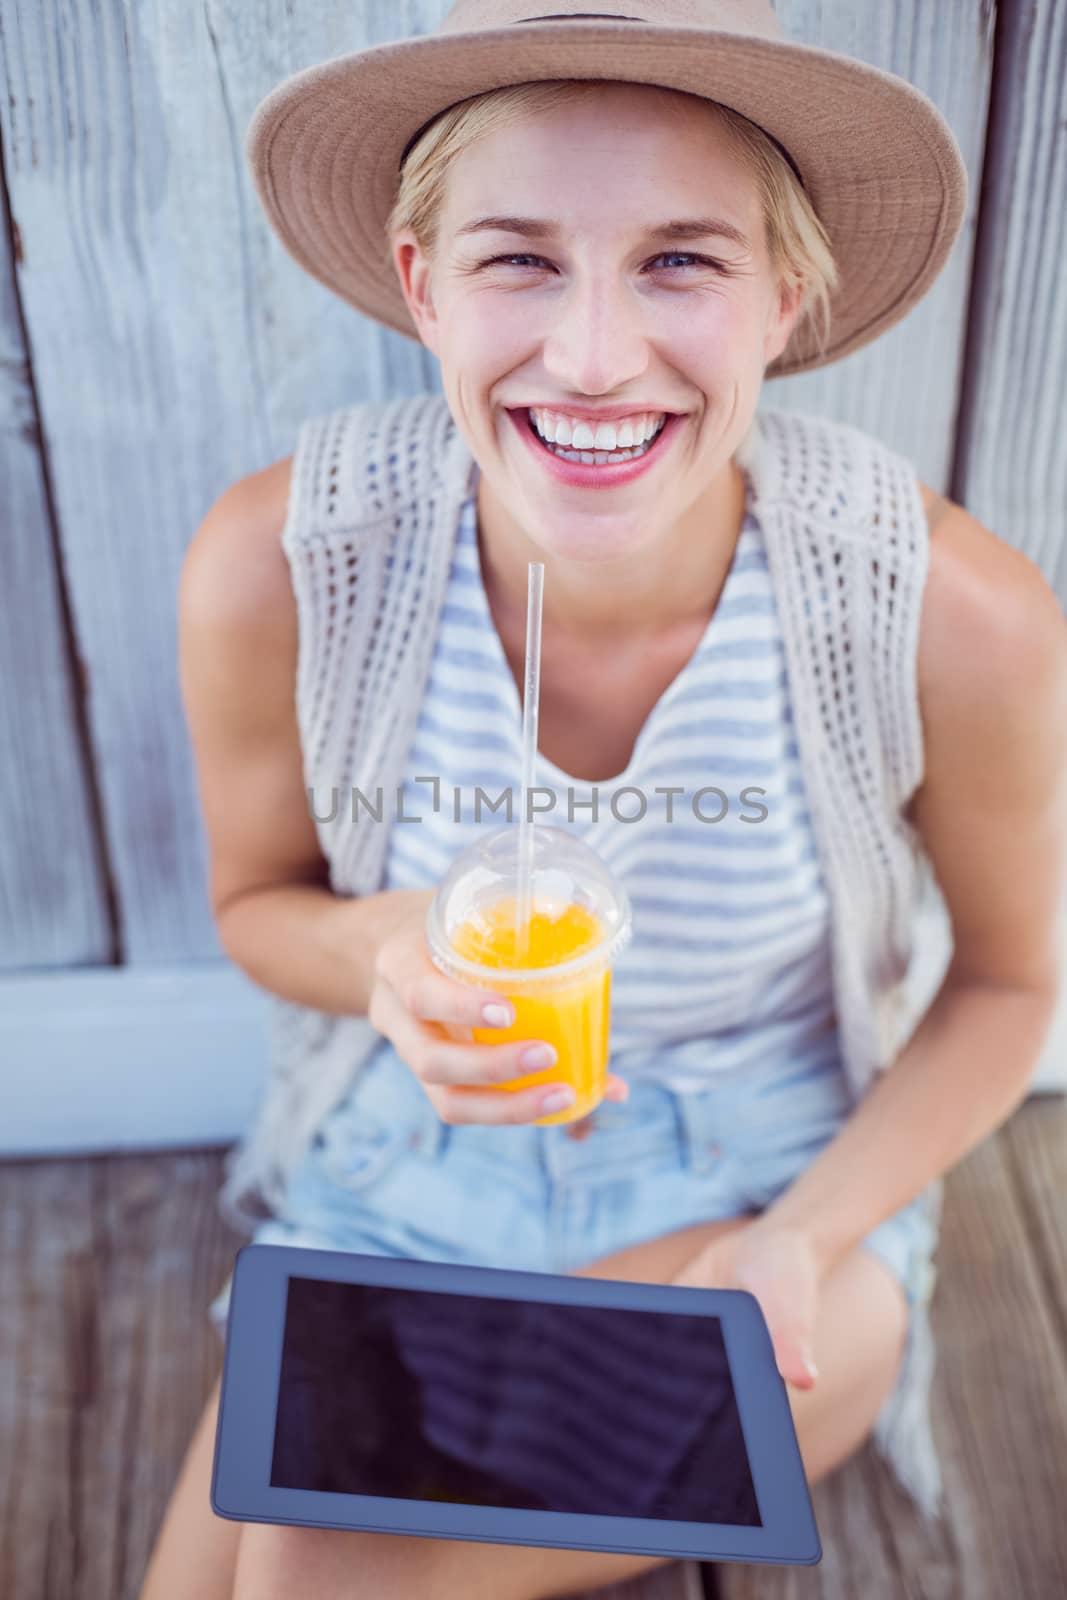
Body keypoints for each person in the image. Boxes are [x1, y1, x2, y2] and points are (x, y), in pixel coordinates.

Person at [140, 3, 1067, 1598]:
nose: (589, 355)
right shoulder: (287, 566)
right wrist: (386, 955)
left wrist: (800, 1235)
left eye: (680, 262)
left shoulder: (941, 612)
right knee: (237, 1564)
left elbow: (1010, 985)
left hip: (761, 1190)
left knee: (318, 1578)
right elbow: (254, 910)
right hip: (407, 1176)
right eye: (518, 259)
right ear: (421, 286)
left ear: (786, 296)